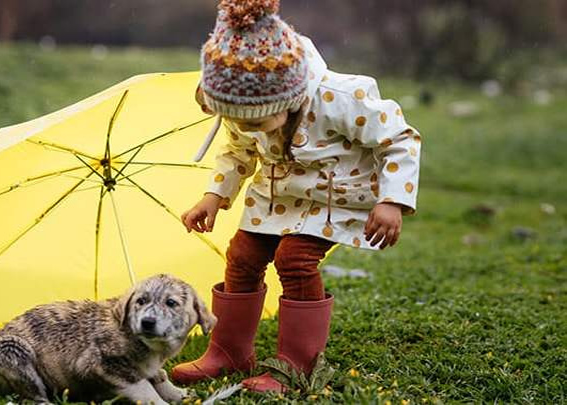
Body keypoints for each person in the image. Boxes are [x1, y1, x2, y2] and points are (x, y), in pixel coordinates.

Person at [171, 0, 422, 393]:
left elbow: (399, 140)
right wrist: (214, 196)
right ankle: (230, 350)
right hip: (275, 195)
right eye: (235, 119)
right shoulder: (243, 107)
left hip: (331, 197)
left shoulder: (340, 98)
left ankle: (298, 362)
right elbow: (239, 151)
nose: (244, 127)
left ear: (287, 99)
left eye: (255, 121)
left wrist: (391, 201)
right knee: (242, 255)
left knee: (294, 257)